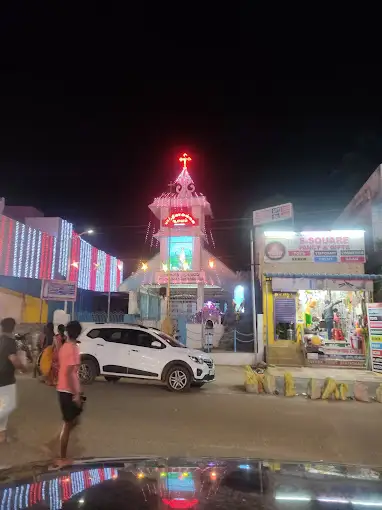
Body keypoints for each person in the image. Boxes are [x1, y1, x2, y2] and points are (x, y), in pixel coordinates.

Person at [56, 320, 83, 461]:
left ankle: (60, 439)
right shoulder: (73, 348)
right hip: (68, 391)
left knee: (74, 420)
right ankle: (62, 457)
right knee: (68, 424)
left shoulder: (65, 346)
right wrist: (76, 394)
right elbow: (68, 373)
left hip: (64, 388)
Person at [0, 317, 26, 443]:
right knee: (6, 406)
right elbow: (14, 359)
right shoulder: (10, 342)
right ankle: (1, 435)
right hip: (6, 379)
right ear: (13, 328)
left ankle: (2, 435)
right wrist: (22, 367)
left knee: (3, 406)